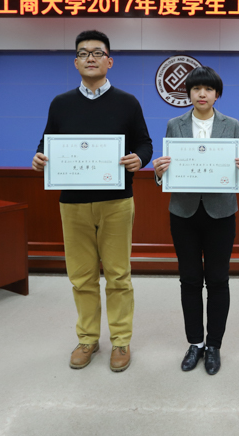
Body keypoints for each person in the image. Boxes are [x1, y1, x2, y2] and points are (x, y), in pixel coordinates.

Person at [32, 30, 152, 372]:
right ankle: (87, 339)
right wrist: (39, 158)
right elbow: (46, 143)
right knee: (81, 276)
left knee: (118, 275)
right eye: (83, 53)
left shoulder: (128, 102)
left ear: (109, 61)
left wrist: (139, 159)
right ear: (75, 62)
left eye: (97, 53)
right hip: (72, 203)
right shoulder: (60, 103)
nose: (90, 58)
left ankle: (121, 341)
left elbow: (144, 143)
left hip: (116, 201)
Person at [153, 66, 239, 375]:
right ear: (188, 93)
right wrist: (158, 173)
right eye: (196, 88)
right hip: (183, 212)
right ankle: (195, 343)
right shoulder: (174, 125)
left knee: (218, 280)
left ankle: (214, 346)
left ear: (217, 94)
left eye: (208, 89)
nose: (202, 94)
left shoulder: (231, 125)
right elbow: (167, 171)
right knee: (189, 279)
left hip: (221, 213)